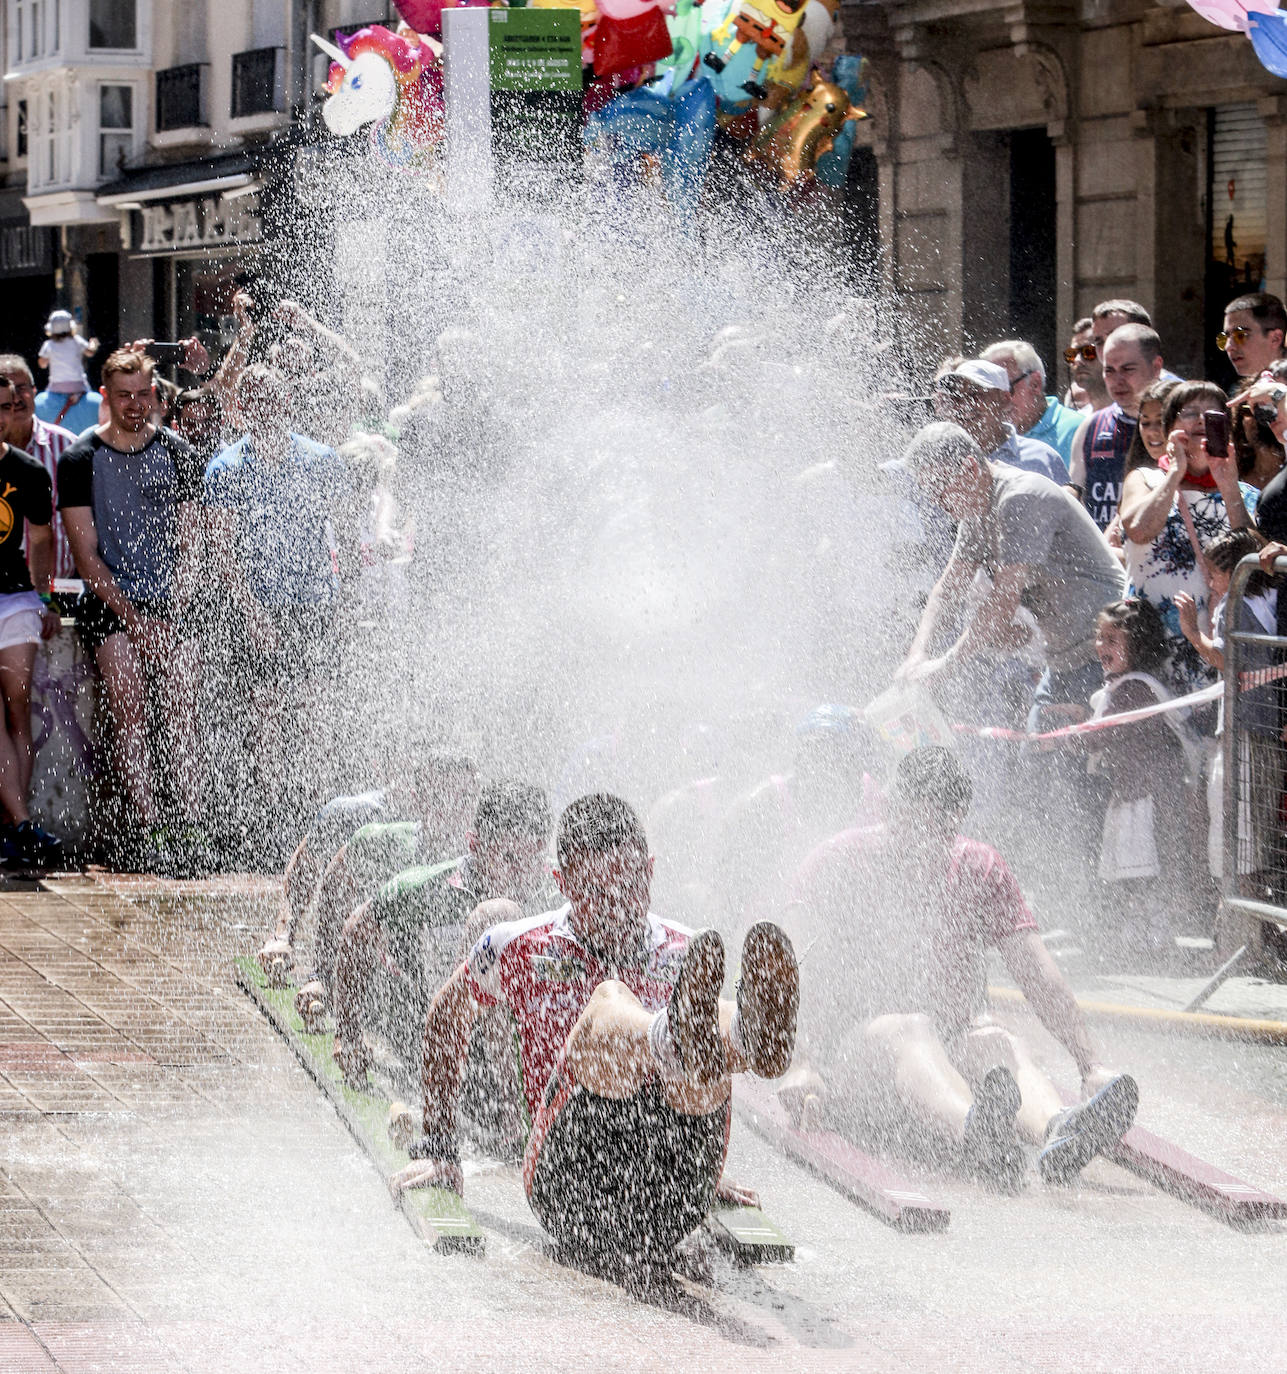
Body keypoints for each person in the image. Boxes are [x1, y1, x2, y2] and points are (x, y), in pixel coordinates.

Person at [391, 793, 799, 1267]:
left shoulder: (686, 950)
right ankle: (673, 1039)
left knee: (712, 1022)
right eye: (597, 890)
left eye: (629, 882)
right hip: (570, 1186)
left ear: (650, 870)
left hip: (676, 1193)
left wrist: (711, 1166)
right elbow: (446, 1017)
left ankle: (750, 1038)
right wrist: (441, 1148)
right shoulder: (517, 945)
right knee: (610, 997)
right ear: (560, 881)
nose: (617, 904)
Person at [785, 747, 1137, 1189]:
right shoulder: (836, 862)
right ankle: (973, 1131)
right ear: (892, 810)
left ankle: (1057, 1130)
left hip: (951, 1040)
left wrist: (1090, 1065)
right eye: (918, 826)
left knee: (996, 1040)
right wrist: (799, 1062)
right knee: (911, 1028)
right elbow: (789, 965)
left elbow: (1036, 971)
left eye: (943, 830)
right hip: (854, 1055)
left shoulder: (980, 865)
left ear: (959, 819)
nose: (928, 843)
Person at [56, 350, 207, 869]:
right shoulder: (79, 458)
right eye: (125, 395)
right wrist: (137, 621)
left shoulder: (179, 452)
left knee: (183, 708)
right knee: (129, 705)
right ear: (106, 396)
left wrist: (176, 606)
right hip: (110, 600)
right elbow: (85, 556)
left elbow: (191, 544)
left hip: (169, 598)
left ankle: (188, 819)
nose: (136, 404)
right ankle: (145, 825)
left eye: (144, 394)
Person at [205, 364, 361, 855]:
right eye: (256, 400)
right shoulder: (225, 466)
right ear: (244, 407)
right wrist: (251, 612)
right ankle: (273, 820)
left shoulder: (320, 459)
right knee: (266, 714)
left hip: (313, 602)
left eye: (274, 399)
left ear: (288, 401)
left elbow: (346, 534)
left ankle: (315, 818)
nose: (266, 408)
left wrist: (348, 602)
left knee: (315, 711)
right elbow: (223, 548)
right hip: (258, 605)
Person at [895, 422, 1124, 724]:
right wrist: (917, 655)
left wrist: (946, 665)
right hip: (1066, 658)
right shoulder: (976, 512)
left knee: (1071, 760)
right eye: (930, 492)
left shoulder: (1019, 497)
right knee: (1040, 755)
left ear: (970, 468)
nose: (938, 502)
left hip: (1109, 654)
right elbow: (947, 589)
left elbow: (1003, 599)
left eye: (941, 488)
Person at [331, 780, 552, 1080]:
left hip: (523, 1046)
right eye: (509, 859)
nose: (521, 876)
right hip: (437, 1038)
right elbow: (355, 934)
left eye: (532, 861)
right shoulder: (427, 890)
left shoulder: (560, 894)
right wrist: (348, 1034)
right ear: (475, 846)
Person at [266, 755, 480, 993]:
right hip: (384, 943)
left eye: (465, 799)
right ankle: (284, 933)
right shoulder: (378, 827)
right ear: (418, 800)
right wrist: (322, 972)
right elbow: (333, 881)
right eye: (441, 798)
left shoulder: (489, 854)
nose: (454, 810)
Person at [1120, 380, 1256, 692]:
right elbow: (1139, 530)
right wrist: (1174, 474)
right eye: (1189, 413)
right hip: (1152, 650)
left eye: (1212, 414)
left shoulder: (1245, 494)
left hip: (1220, 652)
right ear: (1170, 429)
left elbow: (1253, 562)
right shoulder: (1145, 480)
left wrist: (1228, 484)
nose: (1200, 421)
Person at [1086, 599, 1202, 963]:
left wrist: (1057, 735)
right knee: (1137, 876)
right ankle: (1144, 940)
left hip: (1145, 800)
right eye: (1100, 638)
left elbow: (1097, 736)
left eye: (1113, 640)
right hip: (1133, 794)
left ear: (1138, 645)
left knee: (1143, 875)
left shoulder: (1135, 688)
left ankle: (1152, 945)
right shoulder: (1126, 685)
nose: (1102, 647)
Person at [0, 378, 66, 866]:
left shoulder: (27, 471)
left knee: (18, 709)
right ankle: (21, 825)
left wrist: (45, 598)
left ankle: (13, 829)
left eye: (5, 408)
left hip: (15, 598)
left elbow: (41, 540)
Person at [1068, 324, 1166, 532]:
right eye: (1109, 371)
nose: (1117, 380)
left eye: (1128, 369)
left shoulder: (1178, 424)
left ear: (1156, 367)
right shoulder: (1091, 426)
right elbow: (1074, 493)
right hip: (1103, 556)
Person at [0, 354, 77, 579]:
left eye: (21, 387)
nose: (16, 398)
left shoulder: (68, 446)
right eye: (6, 390)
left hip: (59, 592)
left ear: (35, 392)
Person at [931, 360, 1068, 484]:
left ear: (1005, 399)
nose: (964, 404)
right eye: (956, 396)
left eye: (975, 394)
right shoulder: (938, 461)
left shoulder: (1041, 457)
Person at [981, 340, 1082, 470]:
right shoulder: (986, 437)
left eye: (1006, 390)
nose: (999, 402)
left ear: (1035, 383)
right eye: (989, 393)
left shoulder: (1077, 431)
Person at [37, 310, 98, 425]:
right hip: (78, 385)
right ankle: (77, 397)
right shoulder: (76, 341)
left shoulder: (49, 345)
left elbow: (42, 364)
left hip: (56, 387)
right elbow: (90, 352)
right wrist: (93, 344)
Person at [1220, 292, 1287, 391]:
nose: (1228, 346)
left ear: (1275, 339)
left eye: (1240, 335)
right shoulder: (1244, 392)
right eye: (1224, 338)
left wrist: (1277, 396)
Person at [1064, 318, 1108, 413]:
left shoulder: (1138, 417)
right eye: (1072, 354)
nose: (1078, 360)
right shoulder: (1078, 422)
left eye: (1088, 351)